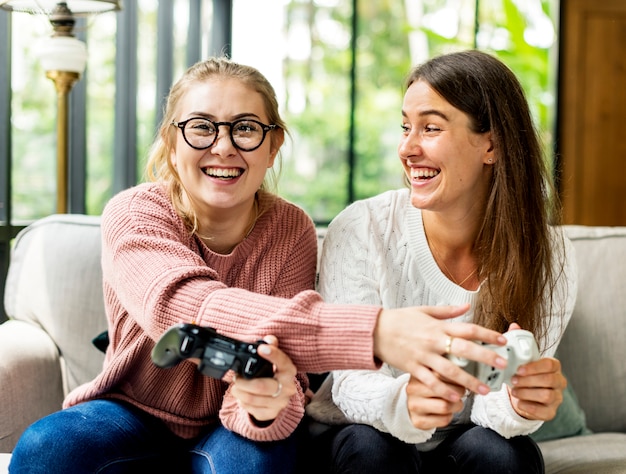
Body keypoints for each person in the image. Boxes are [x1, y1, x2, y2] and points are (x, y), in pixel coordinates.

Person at [10, 57, 509, 474]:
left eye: (246, 129)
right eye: (201, 127)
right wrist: (373, 332)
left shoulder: (290, 230)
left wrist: (263, 406)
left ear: (273, 146)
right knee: (47, 449)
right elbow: (184, 306)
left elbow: (285, 375)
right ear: (171, 141)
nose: (223, 145)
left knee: (256, 463)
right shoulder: (136, 213)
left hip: (232, 423)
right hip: (131, 411)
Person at [305, 49, 578, 473]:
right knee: (374, 449)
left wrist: (522, 404)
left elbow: (496, 409)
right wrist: (406, 403)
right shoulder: (363, 227)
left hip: (466, 440)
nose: (407, 148)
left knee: (508, 456)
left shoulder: (549, 256)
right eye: (405, 127)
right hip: (362, 430)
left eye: (430, 128)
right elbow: (351, 385)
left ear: (492, 144)